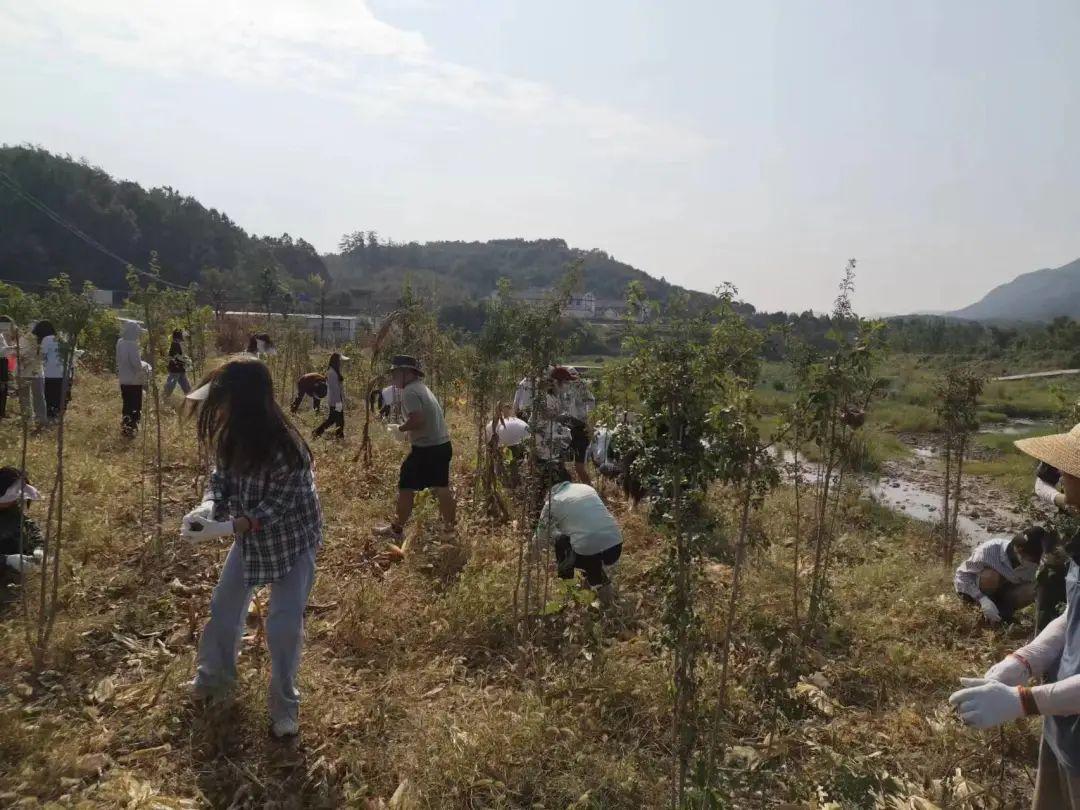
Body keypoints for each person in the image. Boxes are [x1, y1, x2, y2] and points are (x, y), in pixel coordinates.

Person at [180, 356, 322, 739]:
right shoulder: (232, 437)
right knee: (224, 607)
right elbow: (220, 480)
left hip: (292, 541)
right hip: (250, 540)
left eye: (225, 402)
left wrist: (226, 527)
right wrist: (208, 506)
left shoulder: (289, 450)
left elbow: (274, 509)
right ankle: (213, 680)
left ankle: (284, 707)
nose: (220, 410)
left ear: (243, 402)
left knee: (284, 625)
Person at [949, 423, 1080, 807]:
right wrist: (1023, 660)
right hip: (1063, 726)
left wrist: (1021, 701)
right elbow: (1073, 614)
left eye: (1071, 468)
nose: (1064, 478)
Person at [373, 355, 455, 542]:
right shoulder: (421, 388)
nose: (393, 378)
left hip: (426, 449)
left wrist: (400, 429)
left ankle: (396, 529)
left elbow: (418, 419)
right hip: (442, 445)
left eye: (395, 373)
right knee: (442, 487)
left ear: (406, 373)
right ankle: (450, 530)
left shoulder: (410, 391)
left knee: (406, 485)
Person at [533, 465, 622, 604]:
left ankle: (570, 589)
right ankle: (592, 576)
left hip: (590, 550)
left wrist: (528, 561)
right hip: (616, 546)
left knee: (561, 541)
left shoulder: (552, 503)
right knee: (579, 540)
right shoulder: (586, 488)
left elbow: (540, 539)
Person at [954, 527, 1049, 623]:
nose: (1034, 564)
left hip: (1006, 595)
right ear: (1019, 550)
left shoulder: (1035, 565)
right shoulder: (989, 550)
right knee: (991, 576)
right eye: (1032, 560)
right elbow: (961, 576)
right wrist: (982, 599)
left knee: (1037, 588)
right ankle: (981, 611)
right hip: (980, 594)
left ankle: (1002, 615)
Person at [0, 466, 43, 604]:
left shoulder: (10, 508)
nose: (13, 502)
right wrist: (6, 560)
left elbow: (28, 524)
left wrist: (39, 547)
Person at [554, 367, 596, 485]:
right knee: (559, 463)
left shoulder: (584, 389)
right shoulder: (561, 390)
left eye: (575, 376)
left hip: (580, 429)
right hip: (566, 429)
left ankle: (590, 491)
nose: (573, 380)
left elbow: (591, 408)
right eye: (570, 378)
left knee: (579, 467)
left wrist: (589, 426)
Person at [116, 321, 149, 436]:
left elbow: (119, 359)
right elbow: (136, 364)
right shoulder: (132, 345)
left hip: (123, 379)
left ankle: (125, 427)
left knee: (127, 404)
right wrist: (144, 365)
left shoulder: (120, 342)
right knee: (135, 405)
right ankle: (131, 429)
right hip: (134, 381)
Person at [34, 321, 64, 423]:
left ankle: (50, 416)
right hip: (61, 372)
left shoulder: (46, 339)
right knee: (57, 395)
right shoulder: (59, 338)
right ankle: (56, 416)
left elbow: (42, 355)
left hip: (49, 372)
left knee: (48, 395)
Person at [313, 353, 347, 439]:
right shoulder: (331, 373)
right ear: (336, 361)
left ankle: (318, 432)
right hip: (335, 401)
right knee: (337, 420)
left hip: (336, 400)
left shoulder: (334, 372)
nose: (341, 363)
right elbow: (334, 390)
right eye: (340, 361)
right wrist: (339, 403)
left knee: (334, 420)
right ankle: (318, 432)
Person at [163, 329, 192, 398]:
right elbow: (177, 356)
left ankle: (190, 397)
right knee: (171, 385)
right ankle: (164, 398)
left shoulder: (177, 343)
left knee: (186, 386)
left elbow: (180, 356)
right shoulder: (175, 344)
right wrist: (186, 360)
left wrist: (186, 360)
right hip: (175, 369)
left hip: (180, 368)